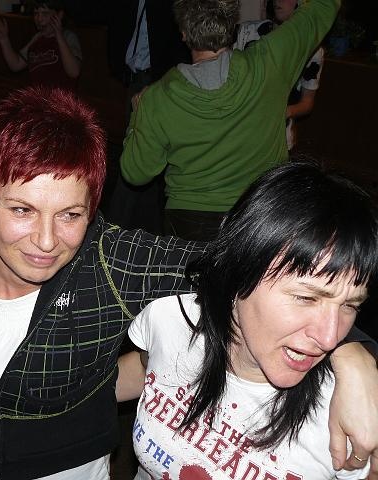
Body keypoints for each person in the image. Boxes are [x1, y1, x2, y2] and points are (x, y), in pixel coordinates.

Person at [0, 86, 378, 480]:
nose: (47, 241)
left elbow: (250, 267)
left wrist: (355, 355)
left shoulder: (112, 260)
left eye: (71, 214)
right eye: (23, 210)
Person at [117, 162, 378, 478]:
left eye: (349, 305)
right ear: (238, 270)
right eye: (306, 298)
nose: (329, 338)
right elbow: (145, 369)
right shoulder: (169, 317)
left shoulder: (347, 418)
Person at [120, 0, 339, 242]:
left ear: (183, 33)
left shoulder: (156, 98)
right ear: (233, 25)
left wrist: (138, 117)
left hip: (190, 223)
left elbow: (135, 173)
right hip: (259, 213)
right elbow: (323, 7)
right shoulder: (270, 60)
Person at [105, 0, 190, 234]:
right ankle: (145, 232)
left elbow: (173, 42)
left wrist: (164, 82)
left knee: (139, 155)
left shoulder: (167, 5)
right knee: (144, 158)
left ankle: (113, 229)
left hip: (158, 80)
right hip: (135, 79)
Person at [235, 0, 324, 151]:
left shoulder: (312, 49)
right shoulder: (248, 32)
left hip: (277, 138)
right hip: (240, 133)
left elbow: (307, 103)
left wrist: (284, 112)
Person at [0, 0, 82, 91]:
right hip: (38, 96)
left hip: (60, 98)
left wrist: (58, 35)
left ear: (59, 15)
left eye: (45, 13)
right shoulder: (37, 38)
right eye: (36, 14)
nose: (39, 19)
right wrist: (3, 39)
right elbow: (16, 64)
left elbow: (74, 72)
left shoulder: (68, 37)